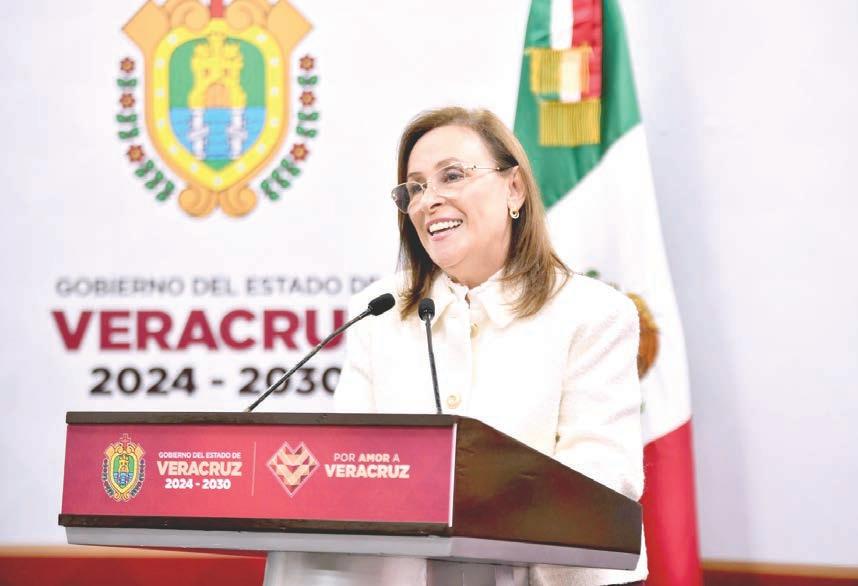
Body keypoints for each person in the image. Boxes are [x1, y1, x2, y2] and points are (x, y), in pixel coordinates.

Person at [334, 106, 646, 586]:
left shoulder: (593, 312)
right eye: (415, 188)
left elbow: (602, 476)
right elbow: (344, 466)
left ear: (513, 188)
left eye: (452, 176)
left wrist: (476, 510)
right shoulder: (378, 314)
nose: (429, 200)